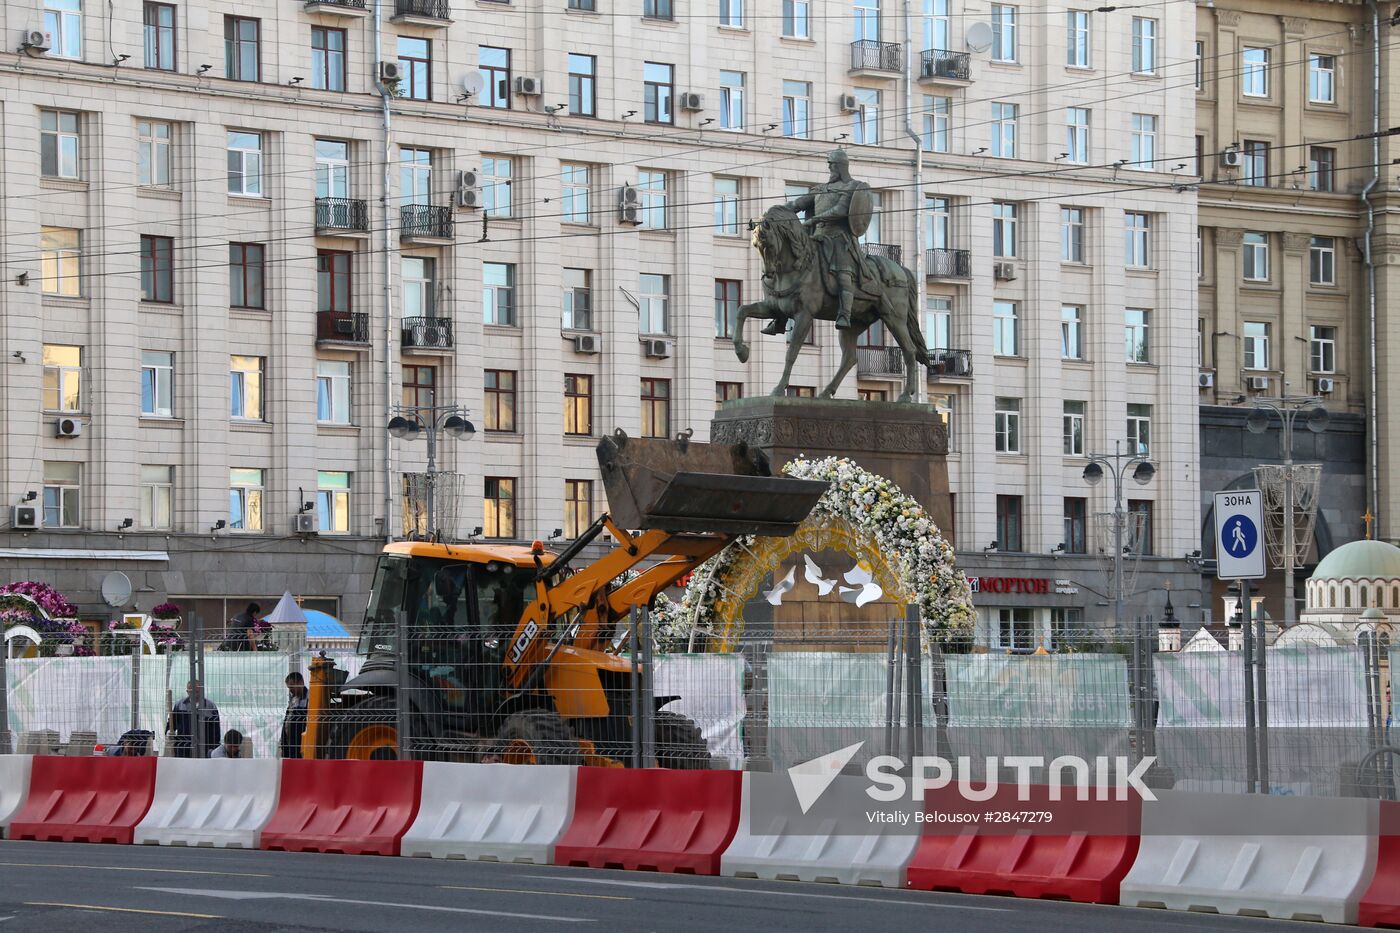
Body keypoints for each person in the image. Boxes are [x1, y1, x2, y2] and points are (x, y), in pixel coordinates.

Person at [779, 149, 873, 331]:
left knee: (843, 275)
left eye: (832, 164)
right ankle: (780, 316)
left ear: (840, 166)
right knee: (789, 267)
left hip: (839, 239)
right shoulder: (821, 189)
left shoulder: (852, 187)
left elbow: (840, 209)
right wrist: (778, 213)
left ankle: (845, 314)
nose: (829, 167)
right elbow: (797, 204)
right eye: (829, 164)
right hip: (816, 238)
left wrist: (815, 219)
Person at [166, 680, 221, 758]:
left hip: (205, 747)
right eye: (191, 691)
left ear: (201, 690)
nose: (194, 693)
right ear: (187, 691)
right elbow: (172, 723)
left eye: (197, 691)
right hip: (184, 747)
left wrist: (214, 746)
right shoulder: (180, 705)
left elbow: (216, 730)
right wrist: (169, 731)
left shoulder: (210, 706)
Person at [280, 671, 309, 759]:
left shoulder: (309, 698)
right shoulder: (293, 699)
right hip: (290, 744)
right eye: (289, 688)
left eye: (292, 687)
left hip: (301, 744)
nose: (290, 690)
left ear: (301, 683)